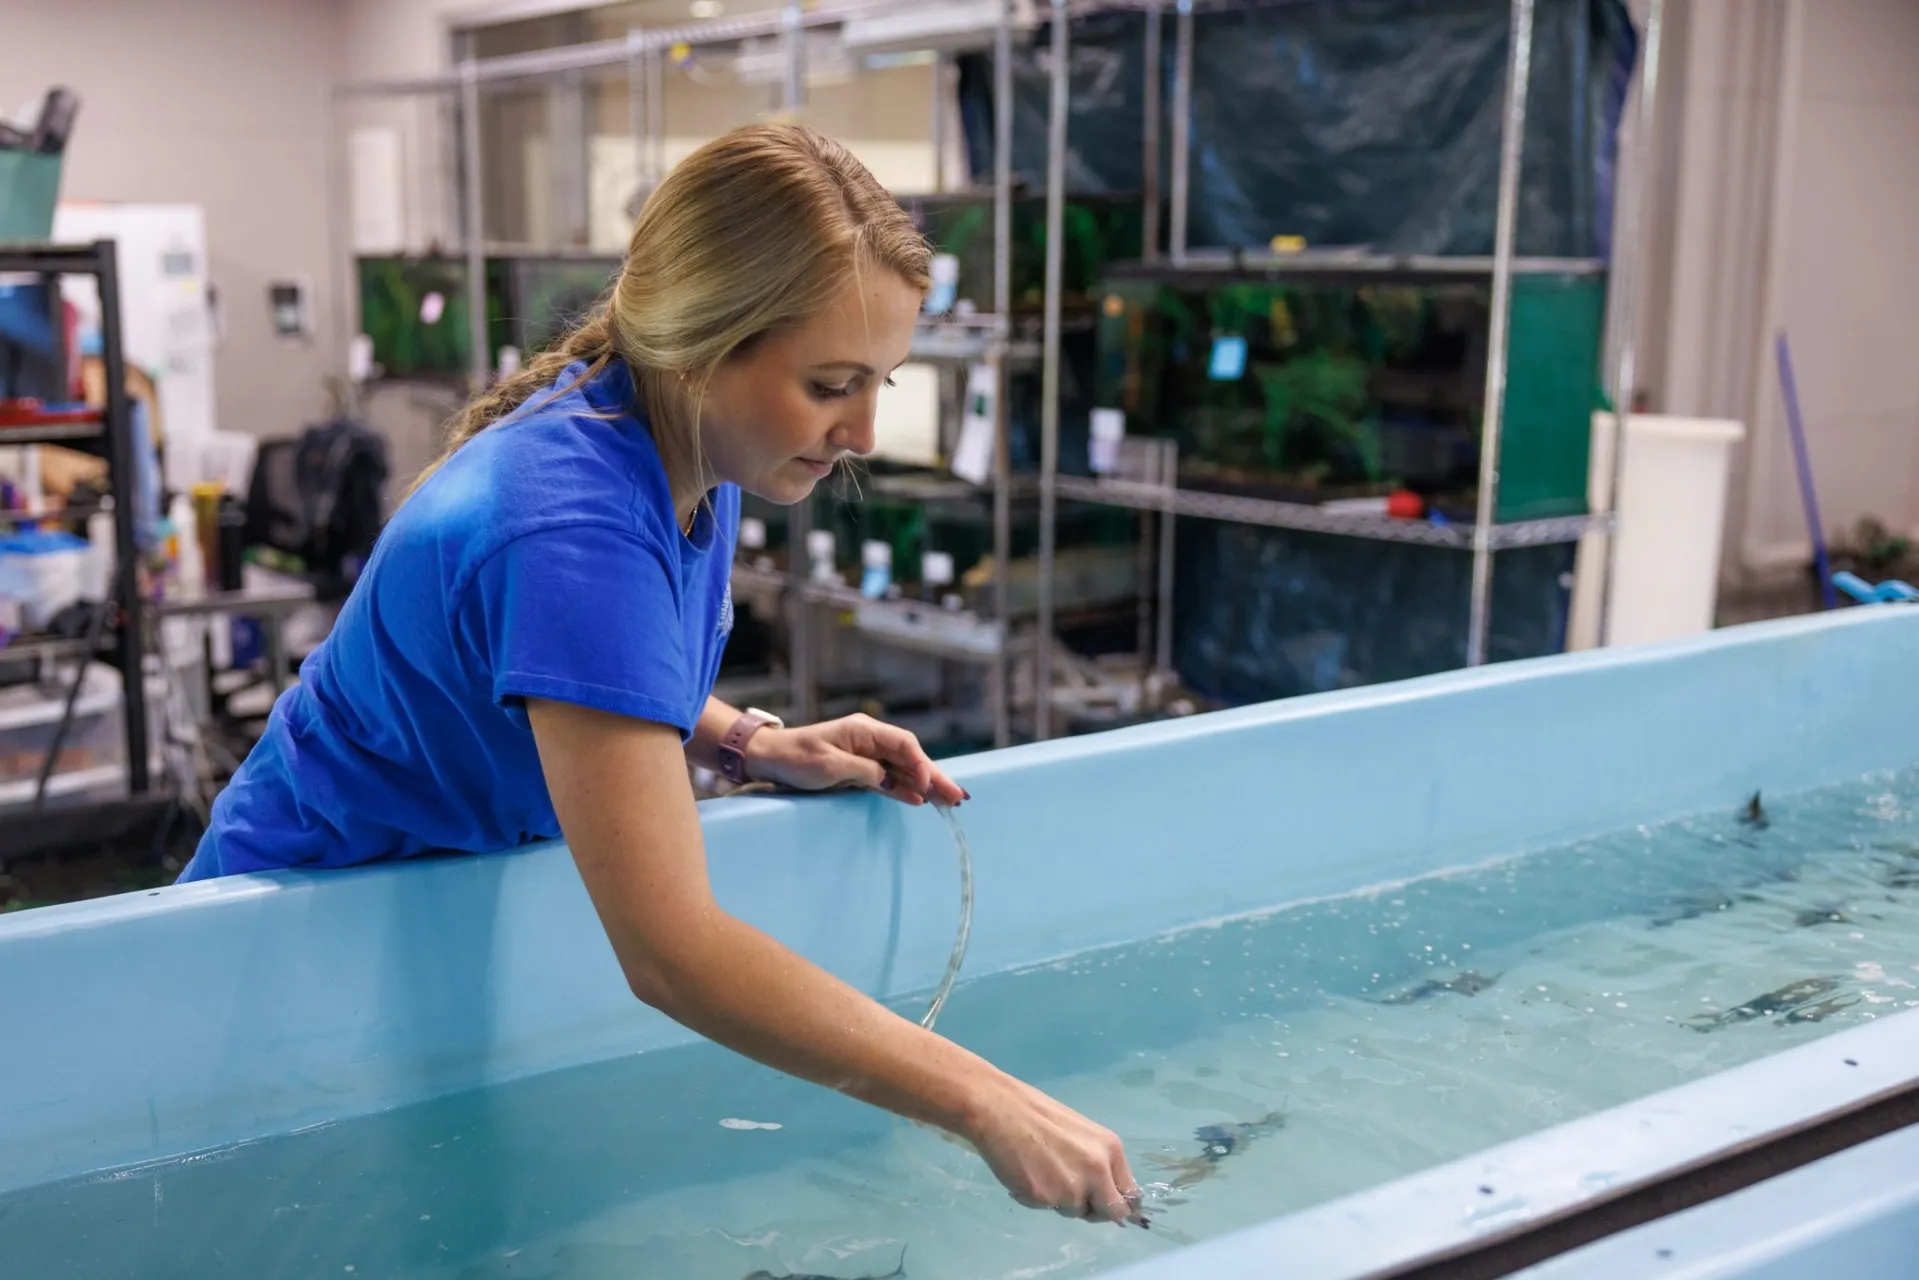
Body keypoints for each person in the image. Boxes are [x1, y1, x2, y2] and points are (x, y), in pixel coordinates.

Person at [179, 124, 1145, 1227]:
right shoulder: (569, 521)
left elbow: (575, 670)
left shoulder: (693, 450)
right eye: (832, 382)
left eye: (881, 381)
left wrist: (744, 737)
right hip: (288, 939)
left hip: (413, 917)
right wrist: (986, 1099)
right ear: (702, 344)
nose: (865, 429)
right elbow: (672, 951)